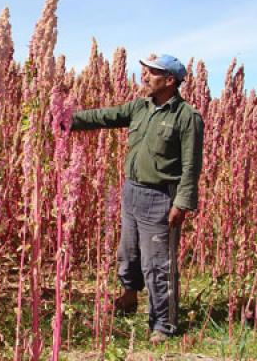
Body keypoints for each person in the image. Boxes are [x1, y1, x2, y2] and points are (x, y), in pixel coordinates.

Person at [70, 53, 204, 342]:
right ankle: (129, 297)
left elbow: (192, 166)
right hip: (132, 192)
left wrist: (182, 203)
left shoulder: (186, 117)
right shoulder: (140, 108)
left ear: (170, 80)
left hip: (161, 198)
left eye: (152, 73)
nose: (144, 76)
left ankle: (163, 324)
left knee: (158, 264)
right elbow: (104, 116)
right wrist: (68, 120)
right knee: (128, 255)